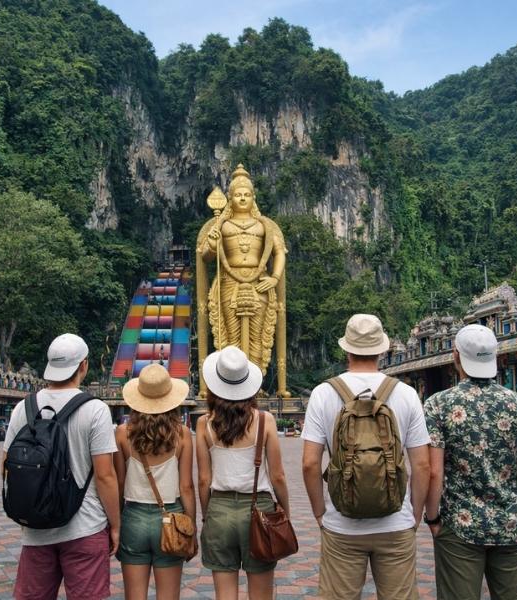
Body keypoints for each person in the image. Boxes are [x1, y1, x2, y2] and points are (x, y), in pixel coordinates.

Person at [302, 314, 430, 600]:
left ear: (346, 349)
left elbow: (310, 463)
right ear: (382, 350)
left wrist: (321, 513)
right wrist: (414, 515)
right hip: (396, 523)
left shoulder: (323, 393)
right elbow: (423, 465)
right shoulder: (407, 394)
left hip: (341, 525)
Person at [423, 324, 517, 600]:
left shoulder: (439, 405)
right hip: (510, 526)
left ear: (455, 356)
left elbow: (434, 472)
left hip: (459, 526)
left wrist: (433, 518)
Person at [2, 333, 120, 600]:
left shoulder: (24, 408)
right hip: (85, 526)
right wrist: (115, 525)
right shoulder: (96, 410)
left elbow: (6, 467)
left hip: (36, 528)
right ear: (84, 366)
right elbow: (105, 476)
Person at [196, 346, 291, 600]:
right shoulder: (265, 420)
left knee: (225, 594)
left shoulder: (204, 423)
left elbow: (204, 479)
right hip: (259, 509)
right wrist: (285, 511)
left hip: (220, 509)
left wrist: (207, 516)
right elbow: (278, 476)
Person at [196, 164, 289, 396]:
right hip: (229, 281)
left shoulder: (265, 226)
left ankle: (254, 386)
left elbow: (279, 253)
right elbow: (206, 256)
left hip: (260, 283)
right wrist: (214, 243)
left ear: (253, 197)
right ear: (230, 197)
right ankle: (231, 386)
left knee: (258, 336)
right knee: (232, 337)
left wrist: (274, 277)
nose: (243, 198)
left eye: (247, 194)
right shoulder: (221, 225)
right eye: (238, 194)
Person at [114, 364, 196, 600]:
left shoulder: (122, 433)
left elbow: (119, 484)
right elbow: (186, 488)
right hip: (171, 518)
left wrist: (116, 525)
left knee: (134, 596)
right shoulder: (182, 434)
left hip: (134, 518)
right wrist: (191, 527)